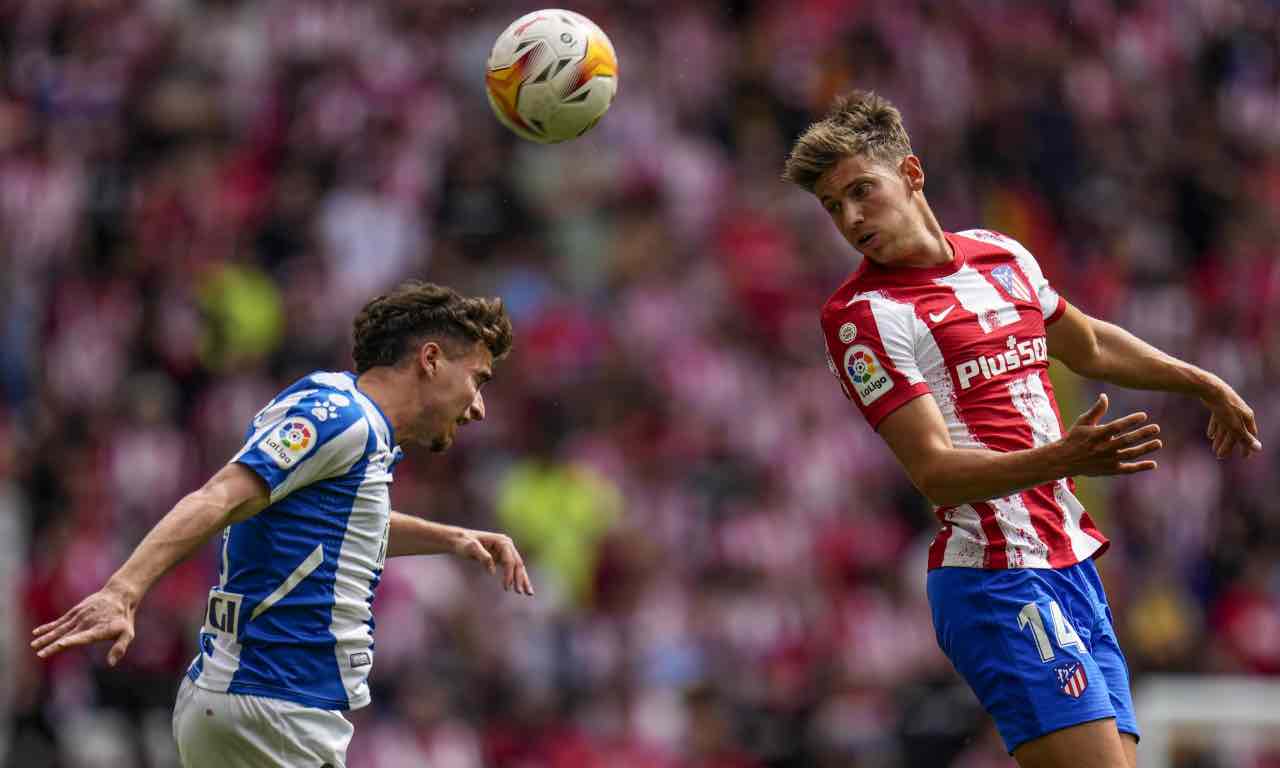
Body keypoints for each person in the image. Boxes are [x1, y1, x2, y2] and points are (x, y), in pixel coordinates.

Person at [782, 91, 1262, 768]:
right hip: (993, 577)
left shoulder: (999, 255)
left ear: (912, 175)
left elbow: (1088, 343)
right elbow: (935, 471)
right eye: (834, 207)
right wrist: (1061, 455)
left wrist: (1201, 381)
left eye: (862, 191)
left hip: (1068, 565)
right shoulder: (863, 315)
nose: (852, 217)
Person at [31, 281, 535, 767]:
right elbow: (220, 496)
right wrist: (123, 590)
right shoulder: (343, 421)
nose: (479, 407)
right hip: (275, 706)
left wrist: (454, 538)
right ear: (430, 360)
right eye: (478, 379)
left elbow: (343, 530)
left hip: (251, 702)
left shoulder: (343, 409)